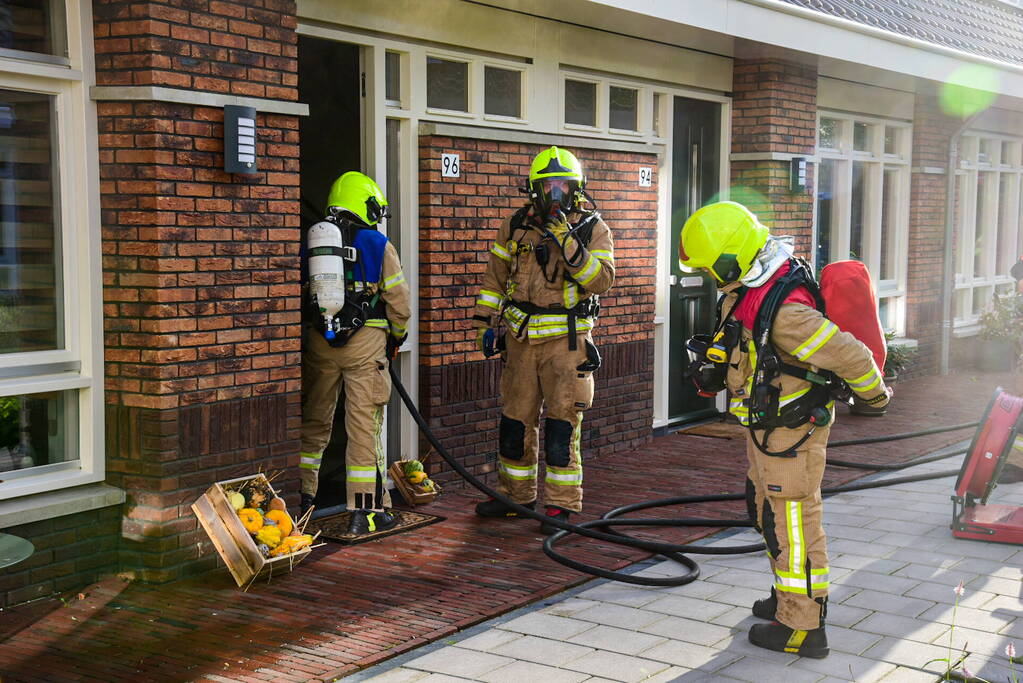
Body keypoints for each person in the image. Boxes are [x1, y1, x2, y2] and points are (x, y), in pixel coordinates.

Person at [679, 201, 891, 658]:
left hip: (792, 432)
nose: (713, 276)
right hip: (767, 429)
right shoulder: (752, 285)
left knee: (794, 523)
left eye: (713, 266)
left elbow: (852, 356)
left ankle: (802, 628)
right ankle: (787, 597)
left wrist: (875, 397)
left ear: (733, 256)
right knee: (767, 513)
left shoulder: (786, 313)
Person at [471, 146, 614, 534]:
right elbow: (495, 276)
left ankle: (560, 506)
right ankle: (514, 497)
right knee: (515, 421)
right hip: (519, 340)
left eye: (564, 186)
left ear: (577, 188)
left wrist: (567, 241)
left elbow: (601, 280)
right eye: (548, 185)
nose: (556, 194)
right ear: (534, 188)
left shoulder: (592, 228)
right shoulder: (515, 224)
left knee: (561, 426)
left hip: (566, 344)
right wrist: (485, 321)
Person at [300, 171, 411, 535]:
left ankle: (302, 499)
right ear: (364, 204)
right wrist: (396, 337)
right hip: (365, 345)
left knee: (315, 421)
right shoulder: (377, 244)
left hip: (320, 342)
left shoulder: (313, 242)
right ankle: (367, 511)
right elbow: (399, 304)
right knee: (364, 427)